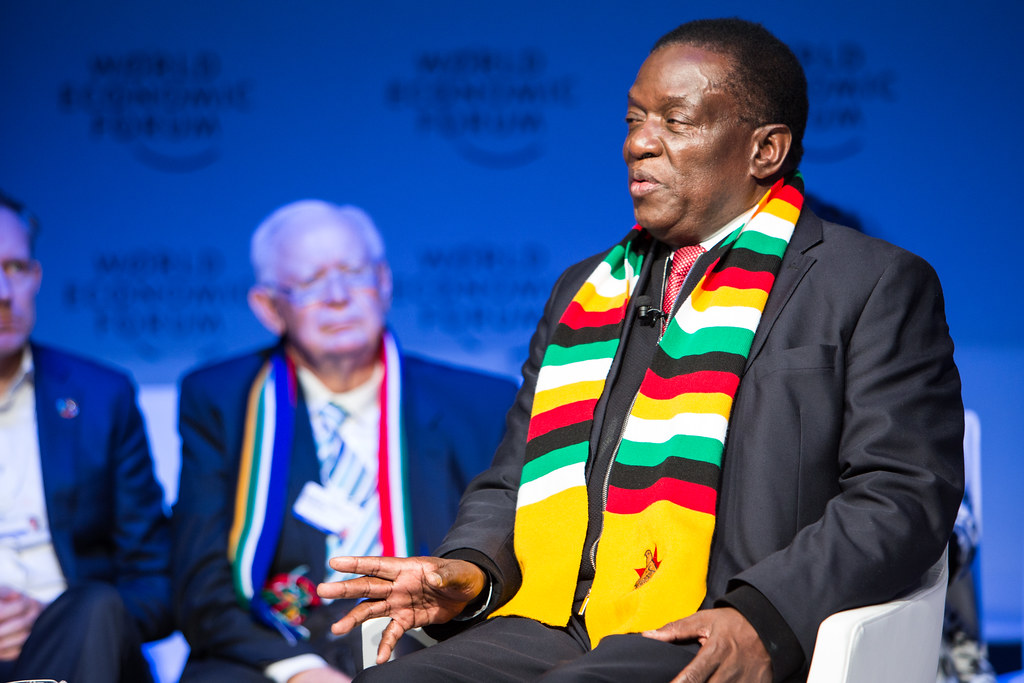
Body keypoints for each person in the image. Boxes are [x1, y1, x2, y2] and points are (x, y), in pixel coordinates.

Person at [317, 18, 965, 683]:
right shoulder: (584, 290)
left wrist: (764, 614)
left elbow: (902, 495)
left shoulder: (869, 283)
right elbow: (513, 477)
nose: (638, 143)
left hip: (717, 621)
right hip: (556, 620)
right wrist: (472, 567)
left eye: (675, 122)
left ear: (765, 150)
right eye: (633, 119)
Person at [171, 199, 518, 682]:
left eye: (354, 273)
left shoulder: (481, 403)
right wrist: (298, 670)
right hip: (278, 651)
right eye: (310, 281)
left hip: (432, 646)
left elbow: (507, 563)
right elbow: (201, 585)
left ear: (384, 282)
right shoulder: (222, 400)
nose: (337, 296)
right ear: (269, 308)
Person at [0, 189, 172, 683]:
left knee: (93, 605)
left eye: (15, 268)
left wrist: (58, 625)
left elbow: (156, 583)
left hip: (82, 651)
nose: (3, 292)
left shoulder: (100, 397)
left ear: (36, 277)